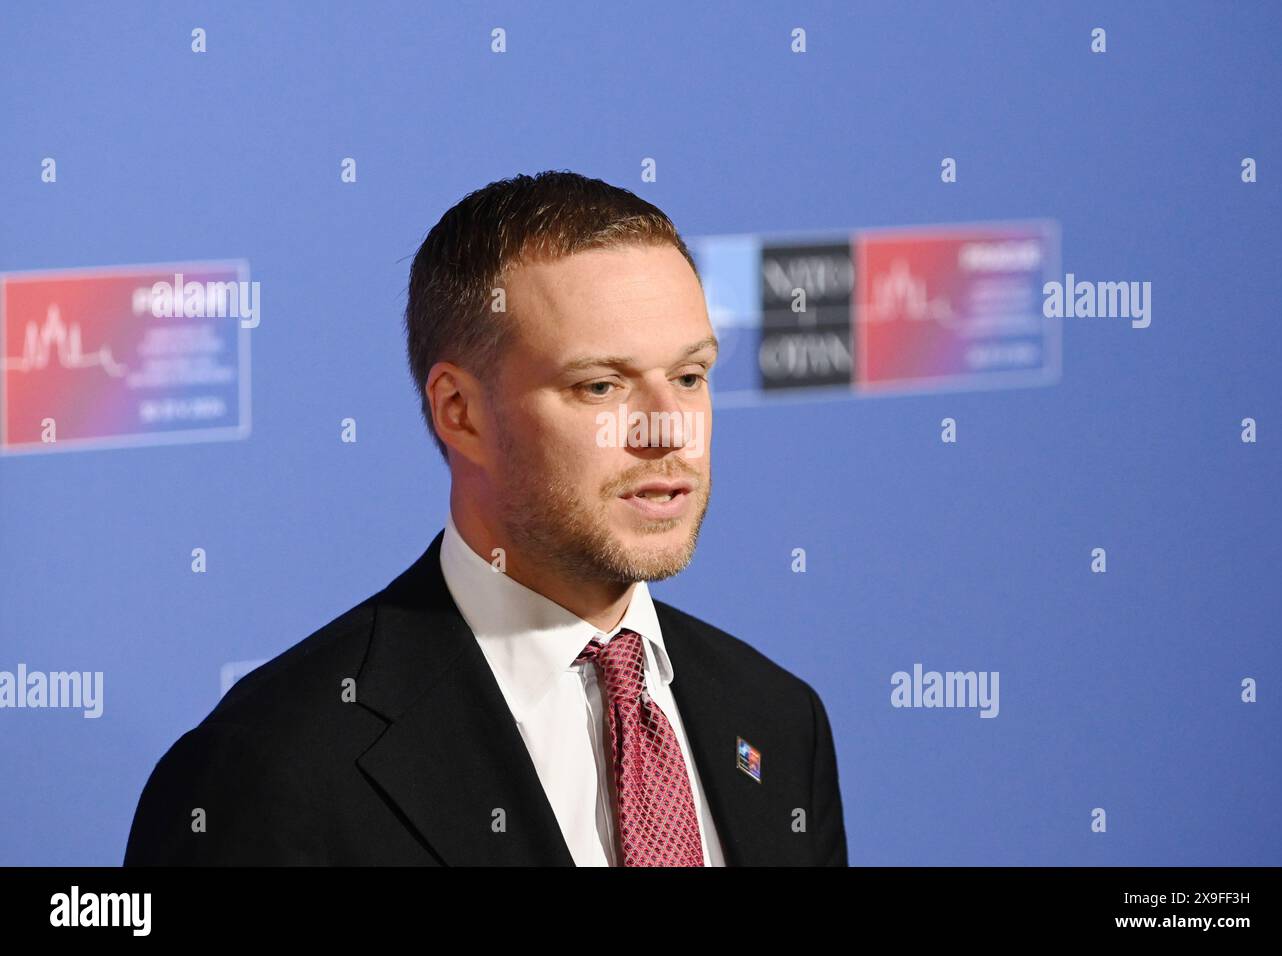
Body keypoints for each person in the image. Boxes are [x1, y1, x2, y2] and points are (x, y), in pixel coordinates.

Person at [123, 170, 848, 866]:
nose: (668, 431)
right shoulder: (272, 769)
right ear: (460, 413)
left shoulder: (778, 722)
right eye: (601, 385)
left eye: (689, 377)